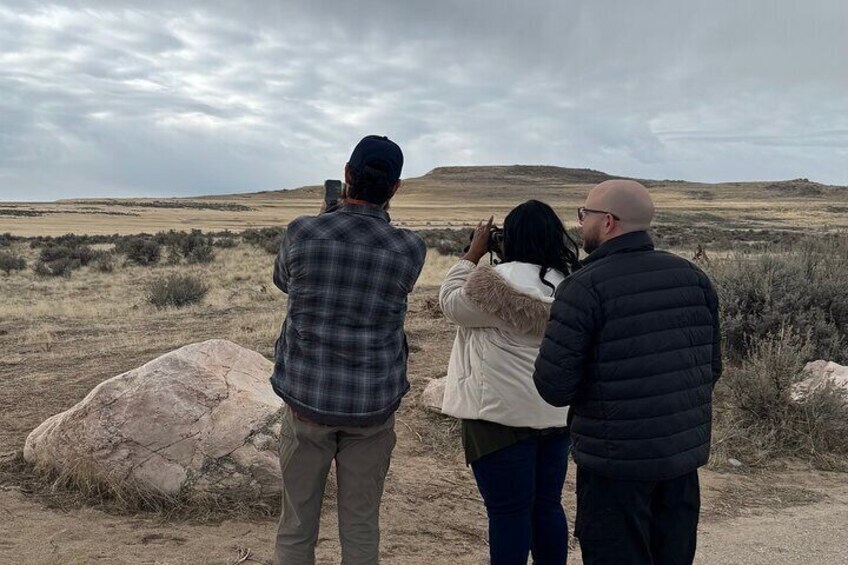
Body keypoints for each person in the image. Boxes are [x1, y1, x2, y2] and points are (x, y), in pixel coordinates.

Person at [533, 180, 722, 565]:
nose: (580, 223)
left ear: (608, 222)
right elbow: (711, 369)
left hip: (614, 466)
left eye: (584, 214)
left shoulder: (582, 288)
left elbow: (554, 387)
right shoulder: (693, 277)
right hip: (679, 463)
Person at [270, 135, 427, 565]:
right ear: (395, 188)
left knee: (297, 523)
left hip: (306, 401)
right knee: (360, 525)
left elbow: (284, 281)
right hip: (371, 408)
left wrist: (328, 215)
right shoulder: (409, 248)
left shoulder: (303, 232)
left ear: (346, 176)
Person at [439, 200, 581, 565]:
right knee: (547, 506)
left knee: (508, 514)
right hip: (555, 414)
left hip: (496, 420)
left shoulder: (492, 283)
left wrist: (472, 254)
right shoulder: (570, 285)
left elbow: (450, 303)